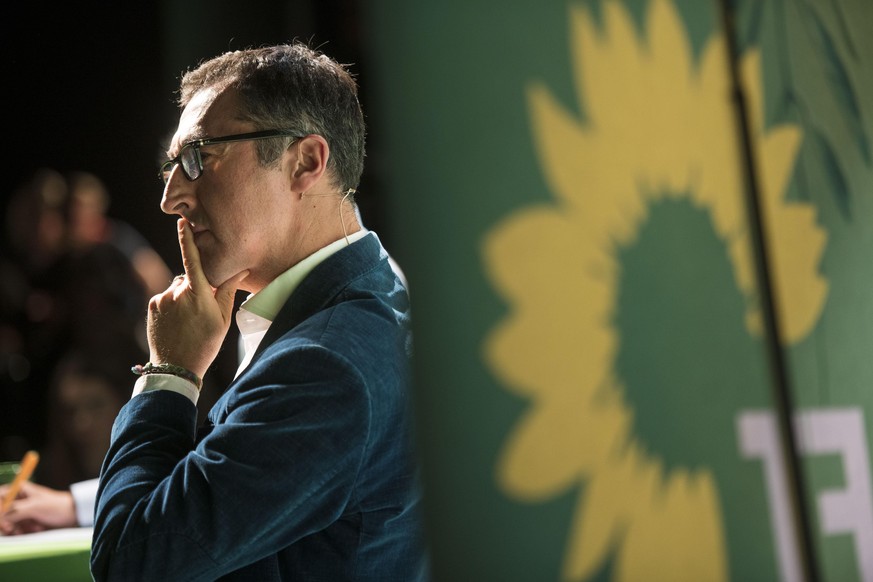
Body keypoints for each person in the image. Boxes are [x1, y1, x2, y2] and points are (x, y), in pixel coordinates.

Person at [89, 42, 428, 580]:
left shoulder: (327, 365)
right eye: (172, 166)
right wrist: (79, 507)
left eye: (199, 156)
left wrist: (169, 373)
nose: (171, 197)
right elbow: (241, 476)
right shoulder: (374, 285)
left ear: (305, 162)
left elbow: (132, 564)